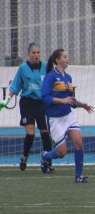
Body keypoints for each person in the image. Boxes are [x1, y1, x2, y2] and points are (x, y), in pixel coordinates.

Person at [40, 49, 94, 183]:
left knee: (79, 142)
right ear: (57, 60)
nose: (67, 58)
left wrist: (82, 105)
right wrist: (62, 100)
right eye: (65, 56)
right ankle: (46, 156)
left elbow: (70, 99)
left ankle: (78, 176)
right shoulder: (51, 76)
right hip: (54, 119)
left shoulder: (68, 77)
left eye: (67, 56)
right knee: (62, 153)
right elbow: (45, 97)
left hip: (68, 115)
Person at [0, 42, 54, 172]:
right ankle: (24, 156)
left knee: (46, 134)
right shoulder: (23, 68)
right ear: (29, 54)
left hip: (42, 103)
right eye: (33, 53)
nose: (36, 55)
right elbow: (15, 86)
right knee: (30, 133)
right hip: (27, 103)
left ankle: (48, 161)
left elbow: (54, 82)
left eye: (38, 53)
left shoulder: (46, 67)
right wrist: (7, 99)